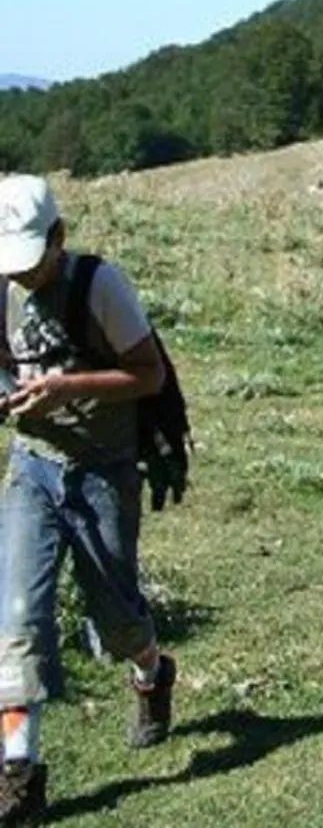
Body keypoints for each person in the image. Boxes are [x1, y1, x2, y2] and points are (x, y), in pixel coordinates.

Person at [0, 176, 175, 825]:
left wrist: (69, 386)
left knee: (114, 618)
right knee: (17, 614)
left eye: (31, 260)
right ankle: (20, 775)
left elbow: (148, 372)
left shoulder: (102, 285)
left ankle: (152, 673)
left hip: (103, 470)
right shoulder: (3, 287)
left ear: (59, 238)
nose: (22, 277)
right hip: (33, 465)